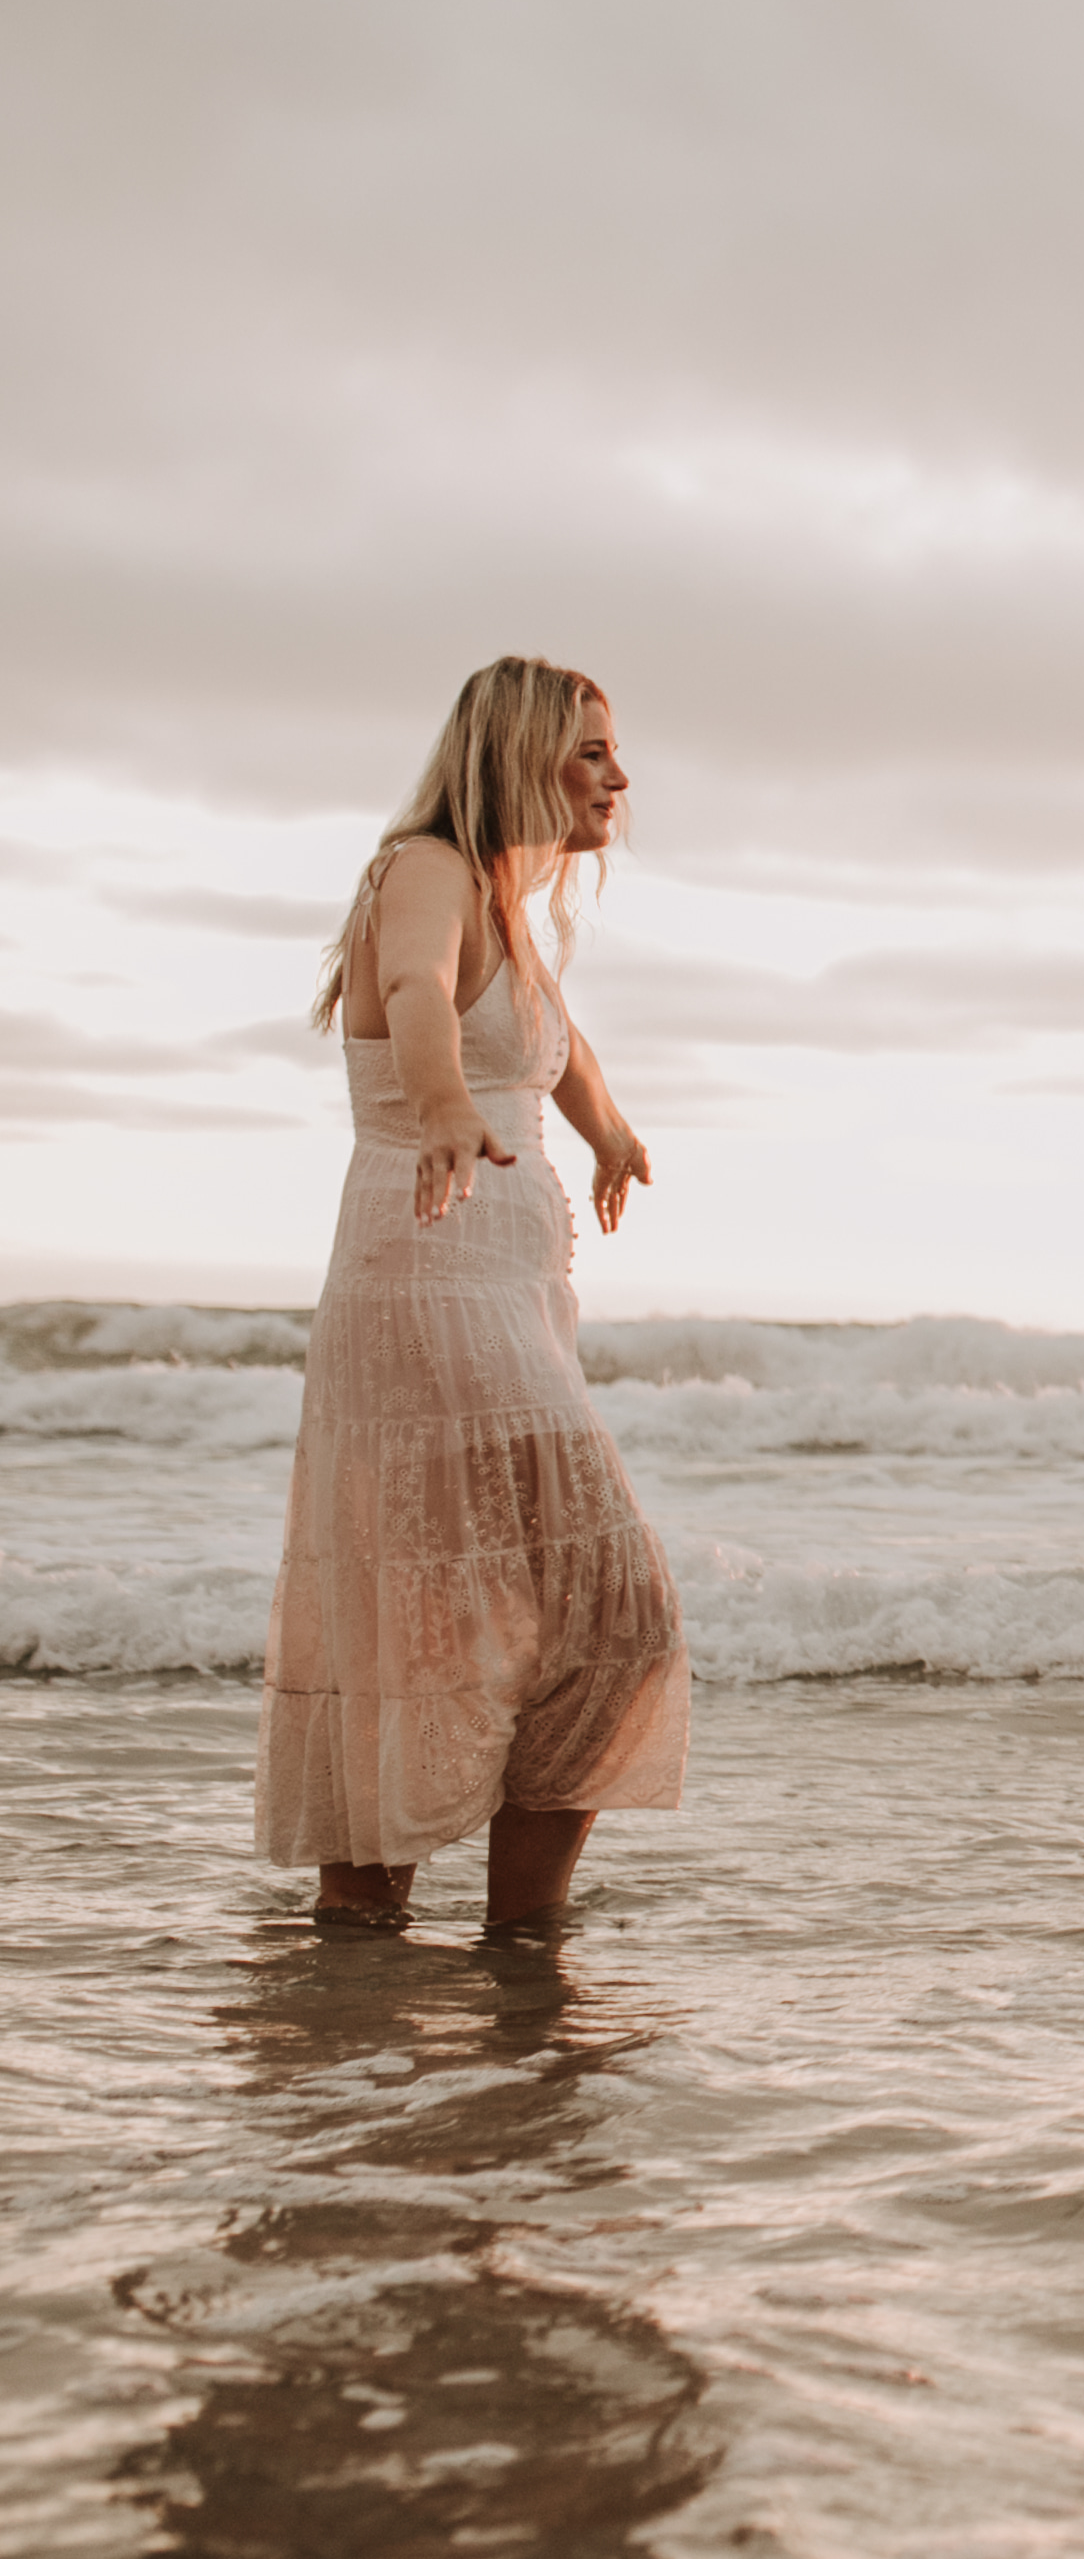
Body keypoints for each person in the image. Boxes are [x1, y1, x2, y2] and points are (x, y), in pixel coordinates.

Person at [260, 656, 690, 1933]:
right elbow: (413, 1002)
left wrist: (610, 1132)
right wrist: (443, 1106)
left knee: (511, 1614)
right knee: (603, 1607)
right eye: (591, 752)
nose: (617, 775)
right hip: (425, 1287)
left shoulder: (508, 902)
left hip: (507, 1293)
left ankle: (482, 1941)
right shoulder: (429, 870)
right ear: (518, 754)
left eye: (615, 753)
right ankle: (419, 1926)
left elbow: (555, 1044)